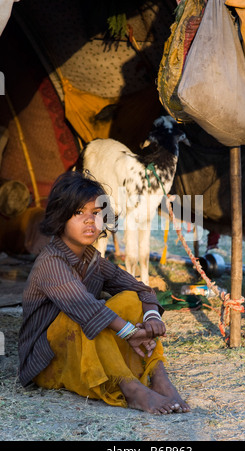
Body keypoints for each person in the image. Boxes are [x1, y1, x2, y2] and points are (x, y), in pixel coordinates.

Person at [18, 171, 190, 415]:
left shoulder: (92, 259)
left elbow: (140, 289)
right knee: (88, 316)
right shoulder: (50, 261)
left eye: (97, 214)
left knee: (131, 298)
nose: (90, 221)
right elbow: (86, 308)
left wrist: (152, 316)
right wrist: (130, 332)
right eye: (79, 213)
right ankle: (133, 391)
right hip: (48, 361)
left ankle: (158, 375)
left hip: (81, 347)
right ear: (60, 217)